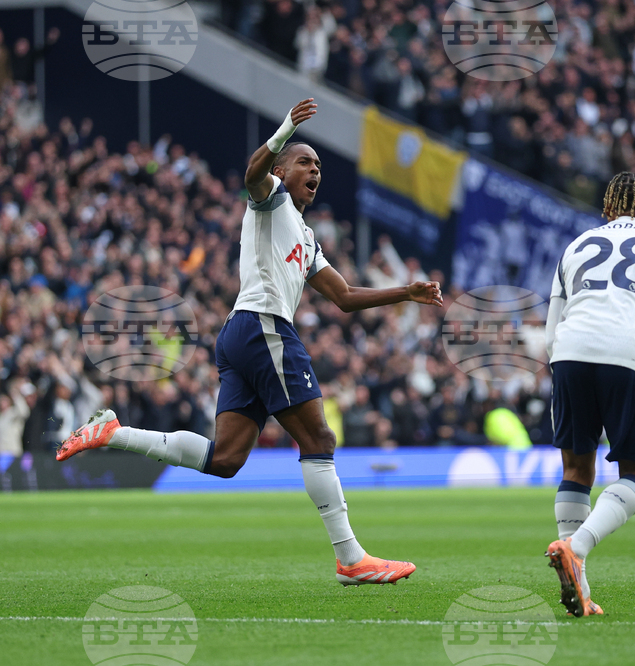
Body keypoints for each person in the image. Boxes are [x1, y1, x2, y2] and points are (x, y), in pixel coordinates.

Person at [56, 99, 443, 586]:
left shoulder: (305, 234)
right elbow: (251, 173)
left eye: (319, 166)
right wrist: (284, 130)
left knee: (225, 460)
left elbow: (343, 297)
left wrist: (403, 293)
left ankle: (113, 433)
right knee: (319, 439)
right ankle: (351, 559)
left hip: (243, 332)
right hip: (264, 327)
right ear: (283, 168)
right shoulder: (272, 195)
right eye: (306, 161)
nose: (315, 170)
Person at [543, 172, 635, 616]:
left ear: (607, 205)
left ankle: (581, 591)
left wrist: (561, 365)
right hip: (627, 354)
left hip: (568, 351)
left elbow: (551, 326)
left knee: (576, 467)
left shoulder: (576, 246)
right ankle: (577, 547)